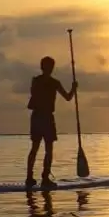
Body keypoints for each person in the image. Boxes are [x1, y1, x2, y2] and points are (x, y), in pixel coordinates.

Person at [25, 56, 76, 189]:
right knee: (41, 149)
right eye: (49, 67)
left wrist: (73, 88)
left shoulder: (41, 81)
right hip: (43, 118)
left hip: (41, 117)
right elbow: (68, 97)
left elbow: (68, 97)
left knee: (42, 149)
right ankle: (34, 177)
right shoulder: (45, 82)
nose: (50, 69)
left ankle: (40, 177)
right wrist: (73, 89)